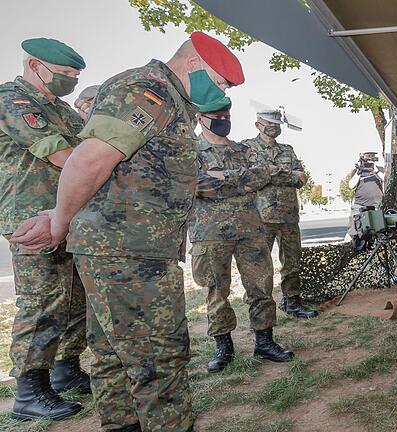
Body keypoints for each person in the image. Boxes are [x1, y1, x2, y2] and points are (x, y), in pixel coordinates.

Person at [11, 31, 245, 431]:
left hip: (121, 248)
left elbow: (112, 171)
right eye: (220, 81)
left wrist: (59, 211)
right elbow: (89, 160)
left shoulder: (169, 98)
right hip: (128, 251)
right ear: (192, 64)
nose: (220, 91)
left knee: (113, 355)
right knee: (159, 358)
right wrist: (60, 219)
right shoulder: (148, 92)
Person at [0, 38, 90, 421]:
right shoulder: (13, 101)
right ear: (35, 65)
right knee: (43, 303)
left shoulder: (64, 111)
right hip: (31, 217)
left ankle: (65, 369)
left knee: (73, 298)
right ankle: (29, 391)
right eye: (65, 74)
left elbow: (88, 146)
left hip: (66, 213)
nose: (69, 81)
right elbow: (68, 157)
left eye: (75, 76)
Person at [190, 100, 294, 373]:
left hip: (250, 230)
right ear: (201, 118)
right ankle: (224, 347)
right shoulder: (191, 150)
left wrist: (222, 177)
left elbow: (263, 175)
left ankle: (265, 341)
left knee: (261, 287)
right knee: (217, 291)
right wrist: (238, 180)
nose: (224, 118)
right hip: (210, 233)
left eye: (227, 114)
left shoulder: (244, 150)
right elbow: (198, 184)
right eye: (217, 115)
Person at [242, 111, 317, 319]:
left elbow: (302, 178)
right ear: (258, 124)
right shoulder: (247, 148)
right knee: (259, 265)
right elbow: (249, 179)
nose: (274, 126)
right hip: (261, 217)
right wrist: (284, 175)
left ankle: (292, 302)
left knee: (292, 262)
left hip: (289, 216)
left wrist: (271, 172)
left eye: (277, 122)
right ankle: (259, 307)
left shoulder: (287, 150)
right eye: (269, 122)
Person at [345, 152, 384, 239]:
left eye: (372, 156)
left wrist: (376, 171)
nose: (369, 159)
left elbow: (386, 179)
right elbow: (351, 185)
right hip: (359, 206)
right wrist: (359, 171)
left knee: (377, 232)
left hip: (376, 206)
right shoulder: (358, 170)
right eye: (367, 157)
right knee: (354, 231)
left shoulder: (379, 169)